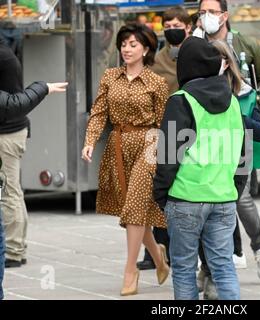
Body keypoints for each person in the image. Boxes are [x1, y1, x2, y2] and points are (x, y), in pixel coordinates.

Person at [153, 36, 248, 300]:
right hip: (223, 197)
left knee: (183, 268)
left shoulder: (181, 100)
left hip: (186, 197)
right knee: (223, 266)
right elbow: (244, 153)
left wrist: (160, 193)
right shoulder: (232, 101)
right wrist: (234, 190)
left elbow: (168, 154)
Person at [81, 23, 170, 296]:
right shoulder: (110, 77)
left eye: (133, 44)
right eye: (123, 44)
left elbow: (163, 123)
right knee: (131, 211)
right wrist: (90, 141)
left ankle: (130, 270)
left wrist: (161, 157)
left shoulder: (157, 83)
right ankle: (158, 256)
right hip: (118, 146)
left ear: (145, 49)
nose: (127, 49)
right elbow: (98, 113)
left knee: (134, 206)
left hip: (148, 146)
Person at [195, 0, 260, 296]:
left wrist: (251, 106)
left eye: (212, 11)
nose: (206, 17)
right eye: (202, 12)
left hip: (239, 140)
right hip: (207, 142)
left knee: (240, 199)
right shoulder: (195, 44)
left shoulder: (244, 46)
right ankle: (211, 266)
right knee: (208, 203)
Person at [0, 34, 67, 269]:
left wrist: (42, 88)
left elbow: (13, 104)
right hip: (8, 131)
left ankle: (14, 250)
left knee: (9, 192)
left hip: (6, 135)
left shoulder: (3, 56)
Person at [137, 6, 192, 271]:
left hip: (190, 132)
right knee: (156, 189)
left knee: (183, 189)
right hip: (159, 131)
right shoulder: (158, 59)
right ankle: (157, 251)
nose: (171, 31)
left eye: (176, 26)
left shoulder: (196, 54)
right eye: (167, 27)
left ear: (188, 27)